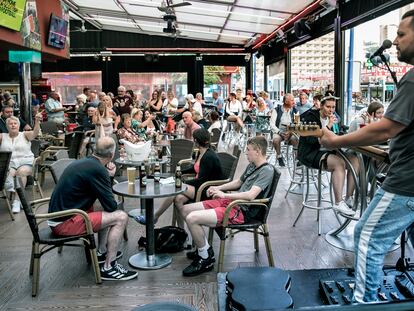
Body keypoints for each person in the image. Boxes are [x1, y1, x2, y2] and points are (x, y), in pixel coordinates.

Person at [320, 11, 414, 303]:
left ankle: (365, 303)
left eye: (401, 34)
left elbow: (386, 128)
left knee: (368, 237)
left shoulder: (412, 80)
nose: (396, 41)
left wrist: (336, 140)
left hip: (407, 182)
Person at [177, 136, 274, 276]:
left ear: (258, 151)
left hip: (241, 211)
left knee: (192, 218)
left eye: (248, 150)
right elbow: (238, 183)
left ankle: (205, 258)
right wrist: (219, 188)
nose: (246, 153)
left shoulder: (267, 171)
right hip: (231, 204)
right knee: (186, 209)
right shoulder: (253, 165)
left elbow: (250, 196)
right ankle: (204, 249)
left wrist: (224, 195)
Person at [48, 136, 138, 281]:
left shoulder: (86, 162)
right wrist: (110, 176)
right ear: (111, 155)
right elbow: (111, 206)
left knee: (100, 206)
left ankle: (101, 251)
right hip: (64, 223)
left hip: (59, 216)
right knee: (121, 217)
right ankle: (109, 267)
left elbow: (104, 203)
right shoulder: (98, 170)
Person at [134, 128, 224, 226]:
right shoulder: (202, 152)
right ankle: (181, 230)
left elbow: (202, 180)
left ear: (196, 141)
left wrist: (181, 182)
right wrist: (178, 173)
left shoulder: (209, 156)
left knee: (175, 187)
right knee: (178, 199)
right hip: (200, 186)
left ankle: (154, 217)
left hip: (206, 190)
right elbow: (195, 169)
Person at [298, 96, 359, 215]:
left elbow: (335, 135)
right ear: (321, 106)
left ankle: (349, 197)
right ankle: (338, 202)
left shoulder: (333, 118)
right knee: (338, 163)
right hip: (310, 153)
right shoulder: (310, 117)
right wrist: (328, 126)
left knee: (355, 161)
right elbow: (310, 140)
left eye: (333, 107)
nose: (331, 110)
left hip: (329, 150)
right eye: (328, 107)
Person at [0, 113, 42, 213]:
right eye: (11, 124)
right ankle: (17, 195)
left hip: (26, 162)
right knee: (9, 175)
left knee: (21, 173)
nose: (13, 125)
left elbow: (35, 133)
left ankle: (17, 201)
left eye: (15, 123)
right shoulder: (2, 136)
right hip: (10, 164)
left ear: (19, 125)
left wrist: (37, 121)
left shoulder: (24, 134)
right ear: (7, 126)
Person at [270, 93, 298, 167]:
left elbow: (296, 124)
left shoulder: (295, 111)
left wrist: (290, 132)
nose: (294, 102)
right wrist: (280, 132)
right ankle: (279, 157)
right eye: (292, 100)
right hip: (279, 131)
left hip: (291, 131)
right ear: (285, 101)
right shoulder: (276, 110)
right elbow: (272, 124)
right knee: (275, 140)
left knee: (296, 139)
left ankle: (297, 158)